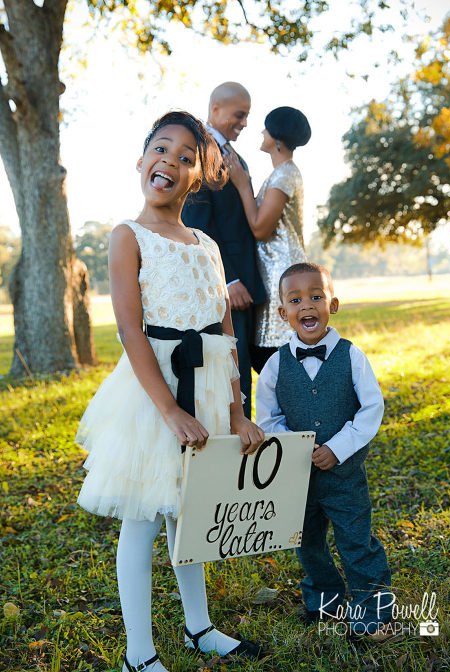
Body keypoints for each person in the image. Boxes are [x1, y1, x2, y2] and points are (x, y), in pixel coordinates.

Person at [76, 111, 265, 672]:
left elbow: (225, 330)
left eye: (187, 158)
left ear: (199, 177)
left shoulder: (207, 243)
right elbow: (131, 331)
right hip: (153, 392)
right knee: (143, 518)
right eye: (161, 149)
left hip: (206, 384)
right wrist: (168, 411)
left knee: (191, 513)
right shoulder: (127, 236)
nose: (171, 162)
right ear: (141, 160)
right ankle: (140, 653)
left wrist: (235, 409)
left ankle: (199, 626)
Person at [255, 262, 393, 641]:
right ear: (283, 313)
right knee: (307, 541)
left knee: (355, 539)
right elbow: (267, 418)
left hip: (344, 477)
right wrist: (295, 447)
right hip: (298, 480)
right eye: (296, 300)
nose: (307, 306)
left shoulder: (351, 356)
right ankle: (324, 599)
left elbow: (371, 409)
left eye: (316, 296)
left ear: (333, 304)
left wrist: (337, 447)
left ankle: (373, 608)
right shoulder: (274, 366)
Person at [182, 82, 266, 417]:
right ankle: (236, 441)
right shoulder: (199, 151)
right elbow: (198, 225)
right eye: (240, 114)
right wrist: (228, 280)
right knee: (234, 369)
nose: (244, 123)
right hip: (228, 285)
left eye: (247, 116)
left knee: (243, 365)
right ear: (215, 109)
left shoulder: (231, 153)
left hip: (247, 278)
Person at [227, 106, 311, 372]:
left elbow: (261, 228)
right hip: (271, 268)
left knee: (279, 352)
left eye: (265, 128)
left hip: (281, 270)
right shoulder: (279, 173)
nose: (261, 132)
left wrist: (242, 185)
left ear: (276, 138)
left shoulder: (285, 174)